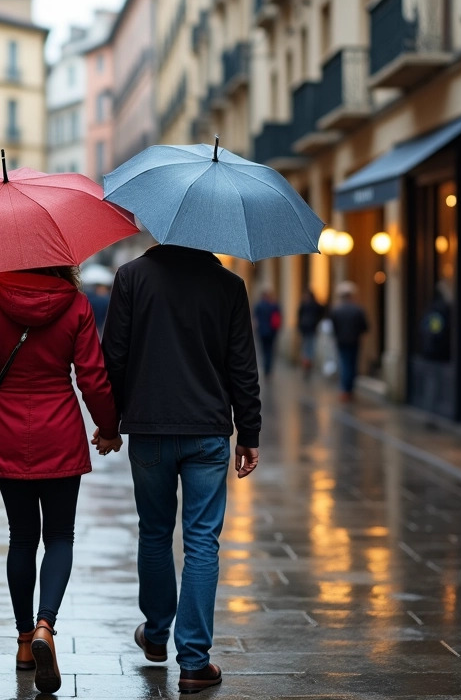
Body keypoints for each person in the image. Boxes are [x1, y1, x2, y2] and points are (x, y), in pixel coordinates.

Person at [101, 244, 261, 695]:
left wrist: (111, 423)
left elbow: (112, 356)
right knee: (202, 542)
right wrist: (249, 432)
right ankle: (194, 661)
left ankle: (155, 636)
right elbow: (242, 367)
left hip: (148, 428)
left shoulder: (132, 276)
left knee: (153, 532)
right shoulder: (229, 285)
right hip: (208, 431)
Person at [0, 266, 119, 695]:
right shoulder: (77, 304)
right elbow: (91, 376)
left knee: (21, 538)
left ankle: (26, 641)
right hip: (60, 429)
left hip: (9, 428)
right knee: (60, 536)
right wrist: (108, 426)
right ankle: (48, 624)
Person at [330, 281, 369, 403]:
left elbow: (333, 327)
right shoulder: (358, 310)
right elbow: (365, 327)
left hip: (341, 341)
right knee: (352, 364)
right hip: (354, 341)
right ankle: (349, 389)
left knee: (344, 363)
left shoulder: (337, 310)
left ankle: (345, 389)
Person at [252, 291, 282, 376]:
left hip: (262, 331)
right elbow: (278, 317)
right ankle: (268, 368)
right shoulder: (273, 305)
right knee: (270, 350)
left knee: (264, 350)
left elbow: (255, 319)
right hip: (272, 332)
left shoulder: (258, 306)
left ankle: (266, 368)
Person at [296, 289, 326, 371]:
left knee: (307, 346)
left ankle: (307, 362)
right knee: (309, 346)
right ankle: (307, 362)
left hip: (308, 328)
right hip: (309, 328)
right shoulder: (312, 305)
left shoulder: (305, 305)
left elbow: (299, 316)